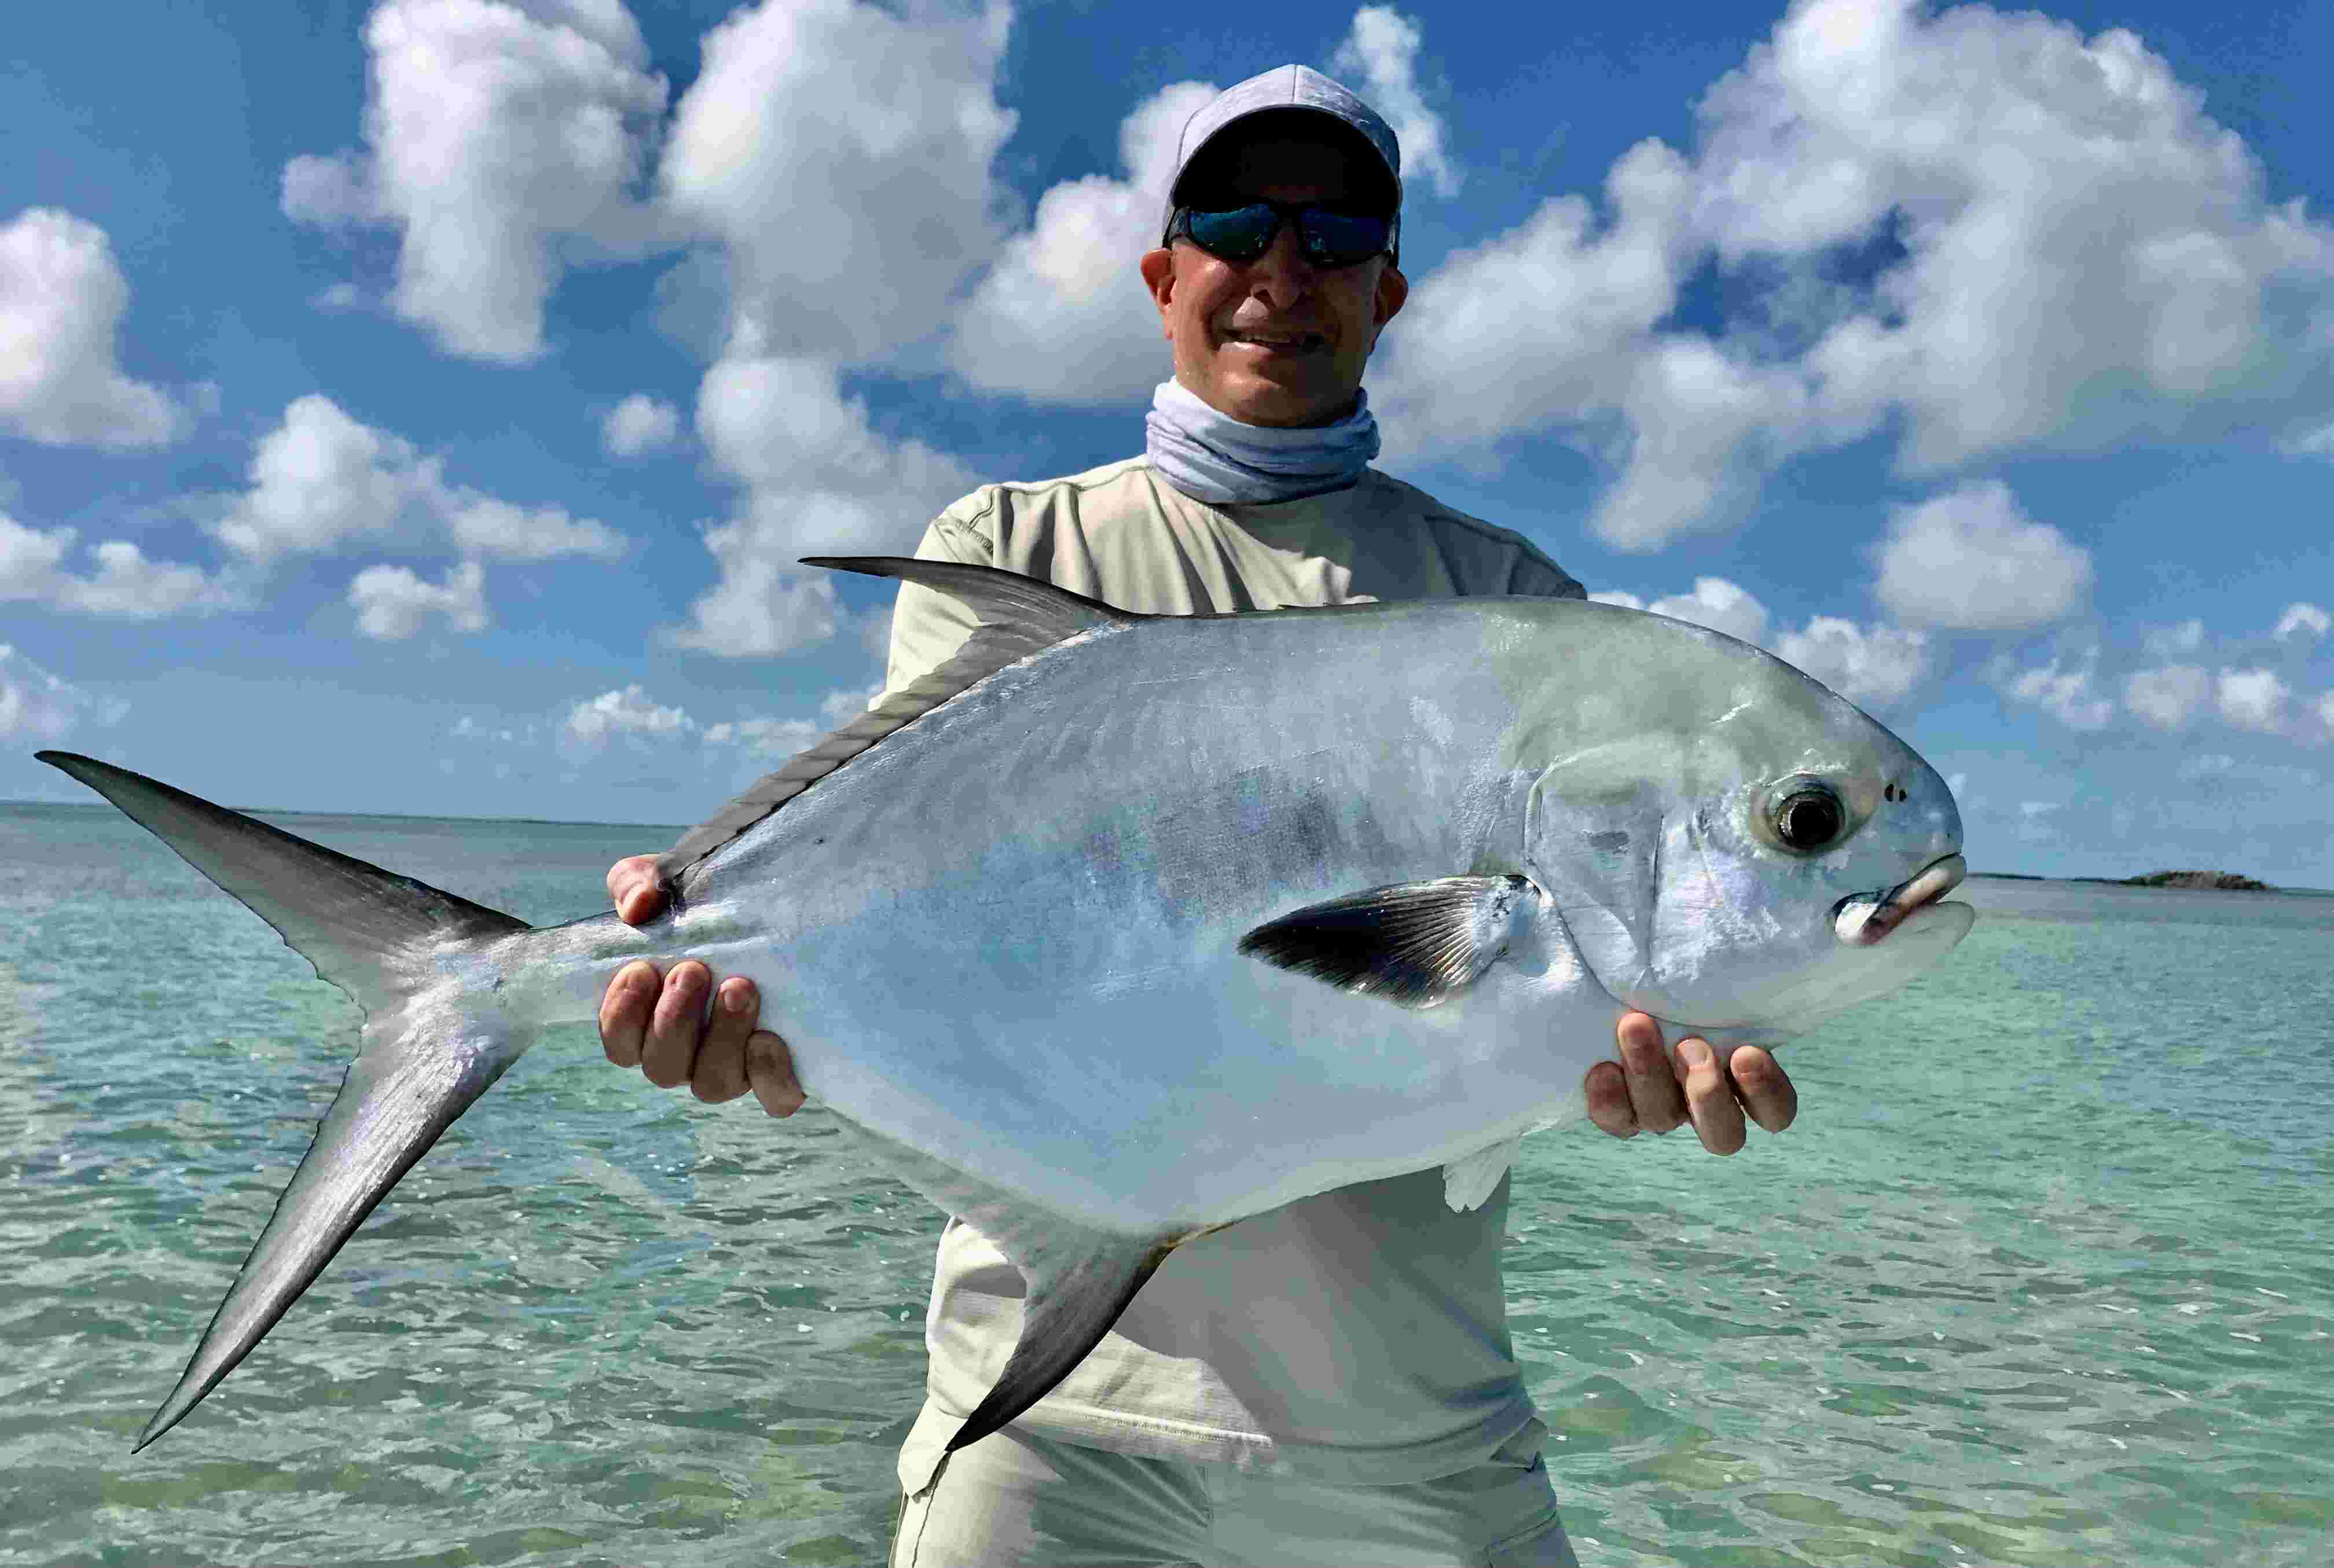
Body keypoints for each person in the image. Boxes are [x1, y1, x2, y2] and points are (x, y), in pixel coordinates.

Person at [596, 65, 1799, 1567]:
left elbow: (1551, 988)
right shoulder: (1011, 547)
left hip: (1413, 1435)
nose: (1282, 273)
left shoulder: (1518, 610)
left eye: (1335, 235)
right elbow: (909, 891)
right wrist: (723, 961)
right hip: (1041, 1427)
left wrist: (1649, 1056)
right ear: (1165, 276)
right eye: (1235, 226)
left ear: (1388, 290)